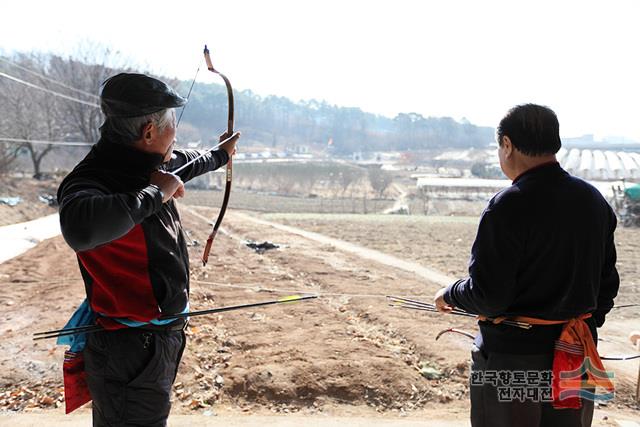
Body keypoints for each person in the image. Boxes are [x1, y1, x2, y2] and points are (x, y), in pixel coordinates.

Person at [57, 72, 239, 426]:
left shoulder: (147, 163)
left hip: (153, 341)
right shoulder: (92, 179)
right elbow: (80, 228)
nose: (177, 135)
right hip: (128, 348)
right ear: (149, 132)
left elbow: (187, 162)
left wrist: (220, 154)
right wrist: (157, 194)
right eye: (173, 126)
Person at [434, 104, 619, 427]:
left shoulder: (508, 205)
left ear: (507, 144)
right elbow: (607, 286)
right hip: (576, 355)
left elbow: (490, 295)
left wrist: (449, 294)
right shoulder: (593, 200)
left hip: (515, 359)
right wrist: (579, 326)